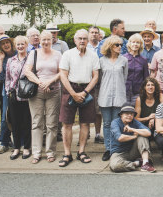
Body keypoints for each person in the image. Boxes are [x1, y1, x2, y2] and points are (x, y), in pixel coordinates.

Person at [58, 29, 100, 167]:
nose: (82, 41)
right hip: (69, 89)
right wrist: (73, 94)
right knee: (67, 123)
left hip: (87, 90)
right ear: (75, 40)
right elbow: (63, 75)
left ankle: (81, 151)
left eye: (84, 38)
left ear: (88, 41)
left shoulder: (93, 55)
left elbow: (95, 77)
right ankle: (67, 153)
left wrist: (85, 92)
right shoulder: (67, 54)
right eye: (79, 38)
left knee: (85, 123)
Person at [24, 30, 61, 164]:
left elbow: (62, 72)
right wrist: (40, 82)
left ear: (52, 40)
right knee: (37, 122)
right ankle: (37, 153)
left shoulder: (58, 54)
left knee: (52, 123)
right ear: (39, 40)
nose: (46, 42)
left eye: (48, 39)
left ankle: (50, 152)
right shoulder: (33, 53)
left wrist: (49, 82)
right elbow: (27, 71)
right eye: (43, 39)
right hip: (37, 92)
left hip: (54, 91)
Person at [98, 35, 129, 162]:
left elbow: (124, 77)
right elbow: (99, 79)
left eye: (121, 45)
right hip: (104, 95)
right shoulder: (101, 61)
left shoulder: (124, 61)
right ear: (110, 46)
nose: (120, 47)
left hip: (119, 95)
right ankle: (108, 148)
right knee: (106, 123)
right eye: (117, 45)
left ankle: (115, 149)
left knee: (116, 123)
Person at [3, 35, 32, 160]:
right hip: (14, 94)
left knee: (26, 122)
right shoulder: (11, 60)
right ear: (15, 46)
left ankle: (26, 147)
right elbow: (8, 78)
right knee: (15, 122)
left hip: (27, 95)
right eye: (18, 44)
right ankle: (16, 148)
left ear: (26, 45)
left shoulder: (31, 59)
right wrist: (8, 90)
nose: (20, 46)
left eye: (22, 44)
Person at [109, 105, 156, 173]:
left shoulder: (134, 122)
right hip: (119, 153)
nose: (129, 115)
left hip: (133, 151)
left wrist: (132, 129)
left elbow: (148, 133)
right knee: (115, 166)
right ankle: (137, 163)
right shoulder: (115, 122)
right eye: (127, 113)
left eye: (131, 114)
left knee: (142, 136)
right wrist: (134, 137)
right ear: (121, 115)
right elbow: (120, 138)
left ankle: (145, 163)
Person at [0, 34, 15, 153]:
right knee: (5, 118)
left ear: (11, 43)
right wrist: (1, 60)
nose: (6, 45)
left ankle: (18, 142)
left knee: (18, 117)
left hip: (20, 91)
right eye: (3, 43)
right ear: (0, 46)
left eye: (7, 42)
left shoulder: (18, 54)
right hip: (6, 92)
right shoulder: (0, 58)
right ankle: (4, 142)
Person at [123, 33, 150, 104]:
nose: (135, 44)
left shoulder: (143, 60)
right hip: (124, 91)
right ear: (129, 44)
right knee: (125, 112)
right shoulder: (123, 58)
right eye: (133, 42)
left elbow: (146, 78)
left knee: (136, 112)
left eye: (137, 42)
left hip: (138, 91)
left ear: (141, 45)